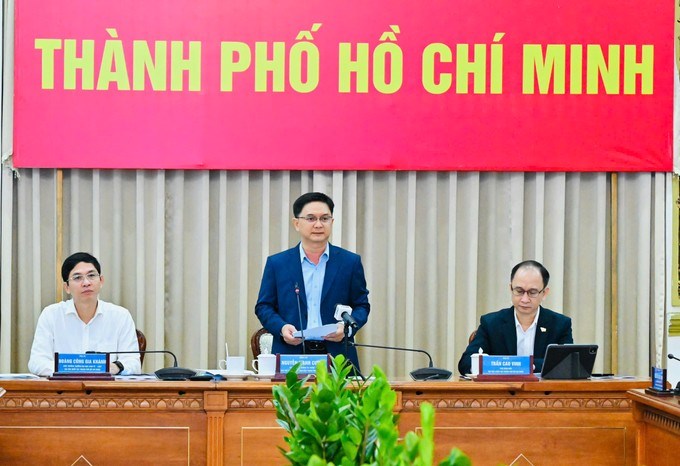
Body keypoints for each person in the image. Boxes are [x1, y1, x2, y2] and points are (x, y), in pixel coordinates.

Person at [255, 192, 370, 371]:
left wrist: (345, 328)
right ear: (296, 223)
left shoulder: (349, 262)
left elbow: (361, 306)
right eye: (310, 218)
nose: (318, 224)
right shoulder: (278, 263)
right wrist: (282, 328)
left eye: (324, 218)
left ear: (332, 222)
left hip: (338, 356)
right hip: (291, 357)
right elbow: (264, 306)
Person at [28, 252, 141, 376]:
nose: (86, 282)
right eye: (77, 278)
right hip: (64, 387)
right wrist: (76, 369)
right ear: (67, 287)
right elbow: (36, 362)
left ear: (101, 281)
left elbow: (133, 363)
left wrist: (116, 367)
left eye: (91, 275)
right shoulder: (51, 315)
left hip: (105, 387)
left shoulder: (120, 316)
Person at [458, 260, 573, 375]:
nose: (525, 299)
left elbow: (568, 364)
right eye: (519, 291)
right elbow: (466, 364)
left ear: (544, 293)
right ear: (511, 289)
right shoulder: (491, 323)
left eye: (532, 292)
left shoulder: (560, 324)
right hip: (501, 387)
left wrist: (526, 366)